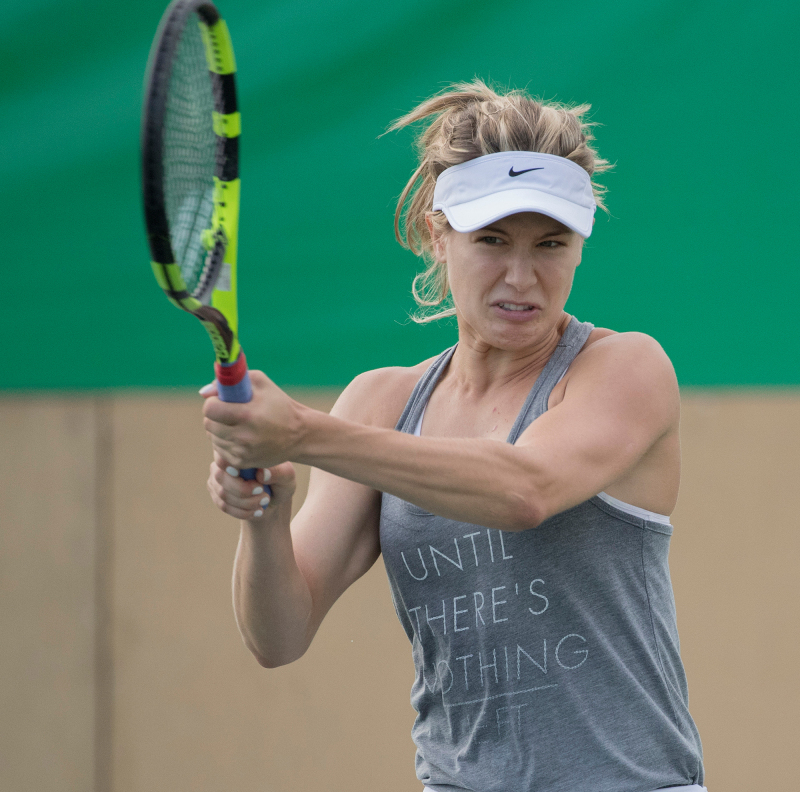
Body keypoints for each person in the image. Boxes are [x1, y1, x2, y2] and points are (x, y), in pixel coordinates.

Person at [200, 80, 706, 792]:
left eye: (551, 244)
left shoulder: (626, 369)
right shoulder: (378, 403)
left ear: (580, 248)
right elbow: (278, 636)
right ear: (438, 236)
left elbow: (525, 490)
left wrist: (304, 433)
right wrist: (265, 515)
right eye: (491, 241)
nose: (521, 277)